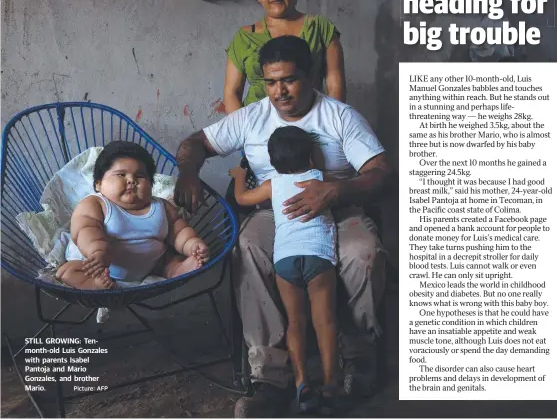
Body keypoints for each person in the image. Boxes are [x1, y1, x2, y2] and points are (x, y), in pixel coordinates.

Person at [175, 35, 388, 418]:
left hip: (338, 207)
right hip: (275, 211)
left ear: (309, 77)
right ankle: (270, 378)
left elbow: (380, 173)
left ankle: (356, 361)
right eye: (271, 82)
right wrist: (188, 170)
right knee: (251, 248)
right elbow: (195, 143)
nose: (279, 91)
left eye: (288, 80)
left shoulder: (339, 116)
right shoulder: (253, 116)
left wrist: (335, 191)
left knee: (362, 252)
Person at [229, 125, 339, 414]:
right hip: (318, 255)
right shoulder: (321, 179)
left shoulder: (271, 185)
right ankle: (329, 386)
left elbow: (241, 199)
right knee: (324, 321)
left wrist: (240, 176)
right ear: (313, 158)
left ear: (272, 162)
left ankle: (302, 385)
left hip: (286, 259)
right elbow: (345, 189)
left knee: (295, 322)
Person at [57, 141, 209, 290]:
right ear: (98, 183)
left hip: (150, 265)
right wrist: (96, 250)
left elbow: (179, 232)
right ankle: (95, 285)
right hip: (98, 265)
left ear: (151, 185)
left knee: (169, 260)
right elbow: (85, 228)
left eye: (140, 176)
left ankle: (177, 270)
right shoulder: (96, 204)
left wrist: (192, 244)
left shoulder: (161, 207)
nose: (131, 180)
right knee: (67, 272)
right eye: (121, 174)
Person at [223, 0, 345, 114]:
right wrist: (243, 133)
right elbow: (232, 93)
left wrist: (325, 128)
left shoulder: (320, 28)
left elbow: (335, 86)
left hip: (311, 122)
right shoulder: (244, 37)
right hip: (256, 128)